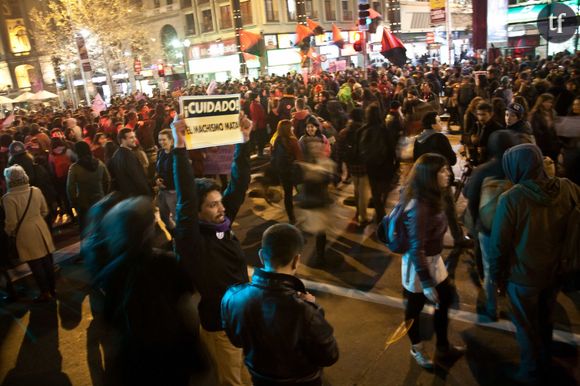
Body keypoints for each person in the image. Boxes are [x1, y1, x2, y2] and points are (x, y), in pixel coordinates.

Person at [92, 196, 211, 386]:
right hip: (173, 351)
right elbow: (188, 307)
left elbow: (110, 320)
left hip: (136, 358)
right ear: (148, 229)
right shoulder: (168, 261)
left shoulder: (111, 272)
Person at [488, 143, 580, 384]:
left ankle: (531, 373)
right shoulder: (568, 188)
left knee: (527, 328)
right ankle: (545, 360)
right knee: (546, 319)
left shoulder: (512, 199)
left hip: (523, 278)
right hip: (556, 273)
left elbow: (498, 246)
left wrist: (497, 279)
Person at [171, 114, 252, 386]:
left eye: (220, 202)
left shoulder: (222, 226)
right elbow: (184, 198)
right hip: (223, 326)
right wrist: (179, 147)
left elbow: (238, 184)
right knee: (233, 381)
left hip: (242, 318)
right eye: (213, 205)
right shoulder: (192, 240)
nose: (222, 208)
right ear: (197, 213)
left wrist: (243, 141)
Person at [221, 223, 339, 386]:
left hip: (260, 379)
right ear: (297, 260)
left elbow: (236, 340)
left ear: (262, 255)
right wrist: (314, 308)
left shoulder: (233, 297)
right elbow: (330, 355)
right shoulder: (304, 310)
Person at [400, 153, 466, 370]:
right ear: (429, 175)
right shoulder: (419, 206)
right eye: (443, 170)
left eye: (448, 169)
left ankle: (443, 347)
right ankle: (417, 348)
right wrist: (427, 282)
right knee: (414, 308)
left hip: (434, 260)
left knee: (445, 299)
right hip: (418, 264)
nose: (449, 173)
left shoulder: (435, 196)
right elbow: (415, 247)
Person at [2, 165, 56, 302]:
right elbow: (45, 211)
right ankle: (52, 289)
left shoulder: (8, 198)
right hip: (41, 227)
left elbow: (11, 222)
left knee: (35, 264)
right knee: (47, 261)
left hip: (25, 232)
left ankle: (45, 293)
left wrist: (10, 233)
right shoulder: (35, 190)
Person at [67, 141, 111, 231]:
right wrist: (104, 193)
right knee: (103, 226)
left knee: (88, 229)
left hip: (84, 203)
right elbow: (107, 180)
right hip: (100, 198)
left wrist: (74, 202)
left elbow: (70, 187)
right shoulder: (99, 163)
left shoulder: (74, 168)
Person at [270, 120, 302, 223]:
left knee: (288, 194)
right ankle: (306, 212)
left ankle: (291, 217)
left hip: (282, 171)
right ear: (289, 129)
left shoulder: (274, 140)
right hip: (293, 171)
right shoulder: (292, 140)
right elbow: (299, 157)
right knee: (301, 190)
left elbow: (271, 155)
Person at [107, 128, 151, 198]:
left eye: (134, 137)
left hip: (126, 197)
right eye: (131, 138)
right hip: (135, 196)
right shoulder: (128, 156)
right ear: (122, 140)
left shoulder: (116, 154)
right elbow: (137, 177)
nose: (135, 140)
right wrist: (148, 193)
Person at [155, 129, 176, 236]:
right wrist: (157, 179)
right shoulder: (160, 152)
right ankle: (172, 235)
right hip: (162, 190)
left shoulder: (176, 154)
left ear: (172, 140)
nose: (161, 142)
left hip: (173, 191)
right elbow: (158, 170)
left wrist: (166, 182)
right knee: (163, 216)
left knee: (177, 217)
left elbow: (178, 173)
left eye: (164, 140)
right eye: (160, 140)